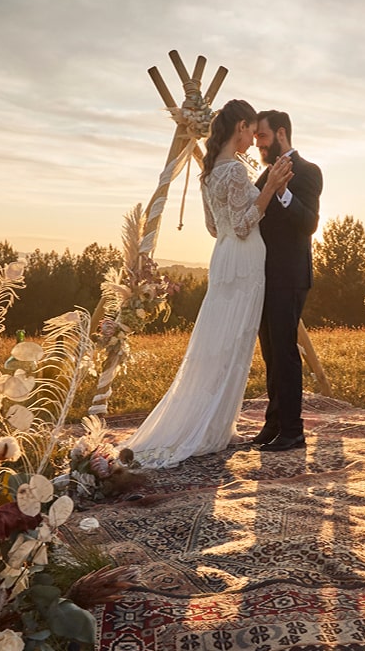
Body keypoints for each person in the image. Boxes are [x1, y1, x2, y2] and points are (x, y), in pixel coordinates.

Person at [125, 99, 294, 467]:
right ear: (240, 128)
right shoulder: (233, 171)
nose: (254, 138)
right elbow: (246, 223)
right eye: (251, 130)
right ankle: (208, 428)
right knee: (234, 341)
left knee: (219, 339)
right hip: (246, 261)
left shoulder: (209, 172)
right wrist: (270, 188)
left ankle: (215, 423)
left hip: (224, 256)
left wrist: (249, 208)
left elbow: (215, 227)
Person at [247, 109, 322, 451]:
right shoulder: (263, 176)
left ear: (280, 134)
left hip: (291, 275)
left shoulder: (308, 171)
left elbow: (309, 224)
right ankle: (273, 423)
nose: (257, 144)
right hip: (264, 276)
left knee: (286, 351)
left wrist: (282, 193)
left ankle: (294, 430)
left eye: (261, 136)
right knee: (271, 353)